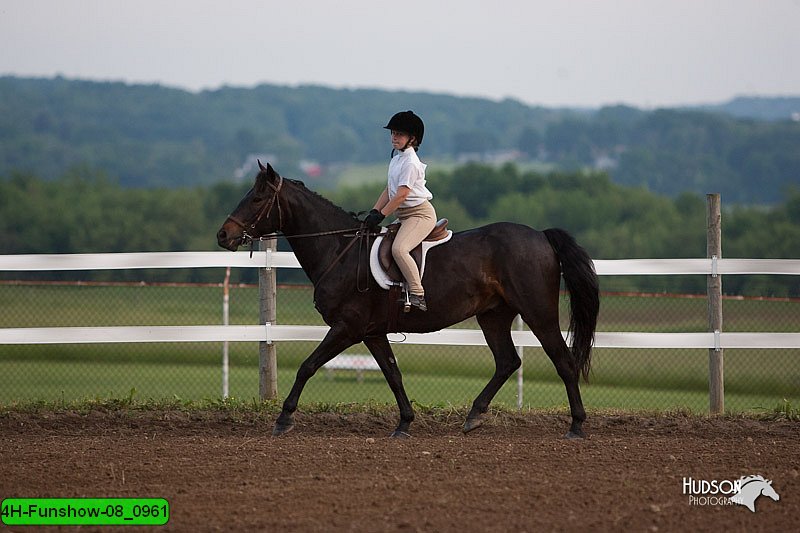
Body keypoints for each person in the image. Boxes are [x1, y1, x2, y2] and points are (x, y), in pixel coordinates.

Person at [364, 110, 436, 312]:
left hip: (419, 215)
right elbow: (389, 190)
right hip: (403, 215)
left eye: (400, 134)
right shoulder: (396, 159)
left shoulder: (411, 163)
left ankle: (417, 293)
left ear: (412, 139)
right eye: (393, 133)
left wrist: (382, 215)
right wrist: (374, 211)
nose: (394, 138)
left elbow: (401, 195)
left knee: (399, 249)